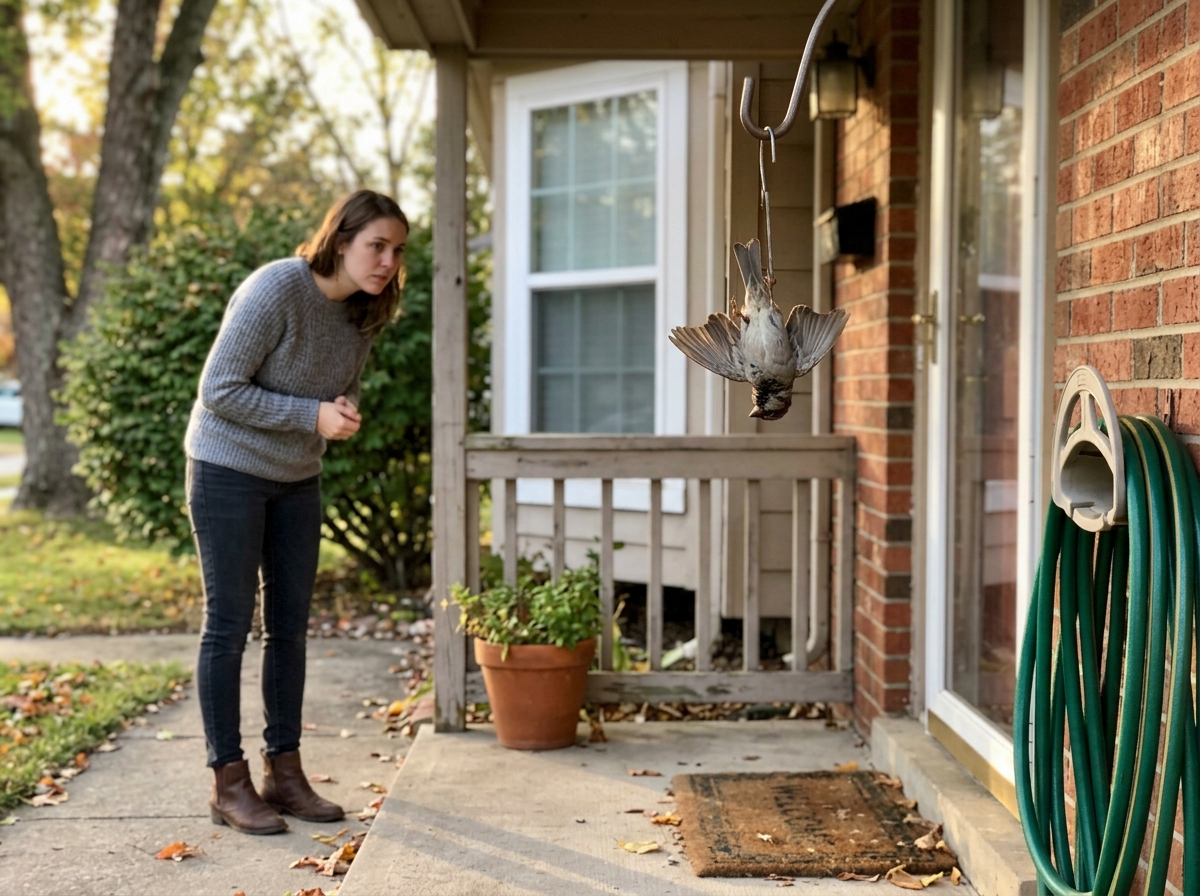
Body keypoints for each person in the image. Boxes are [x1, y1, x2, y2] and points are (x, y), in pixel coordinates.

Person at [183, 191, 408, 834]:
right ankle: (228, 782)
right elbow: (219, 389)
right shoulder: (276, 288)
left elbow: (341, 386)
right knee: (228, 625)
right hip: (227, 469)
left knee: (290, 628)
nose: (388, 261)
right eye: (377, 246)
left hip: (295, 478)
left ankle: (285, 774)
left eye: (397, 251)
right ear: (341, 240)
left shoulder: (366, 312)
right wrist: (310, 416)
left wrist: (341, 414)